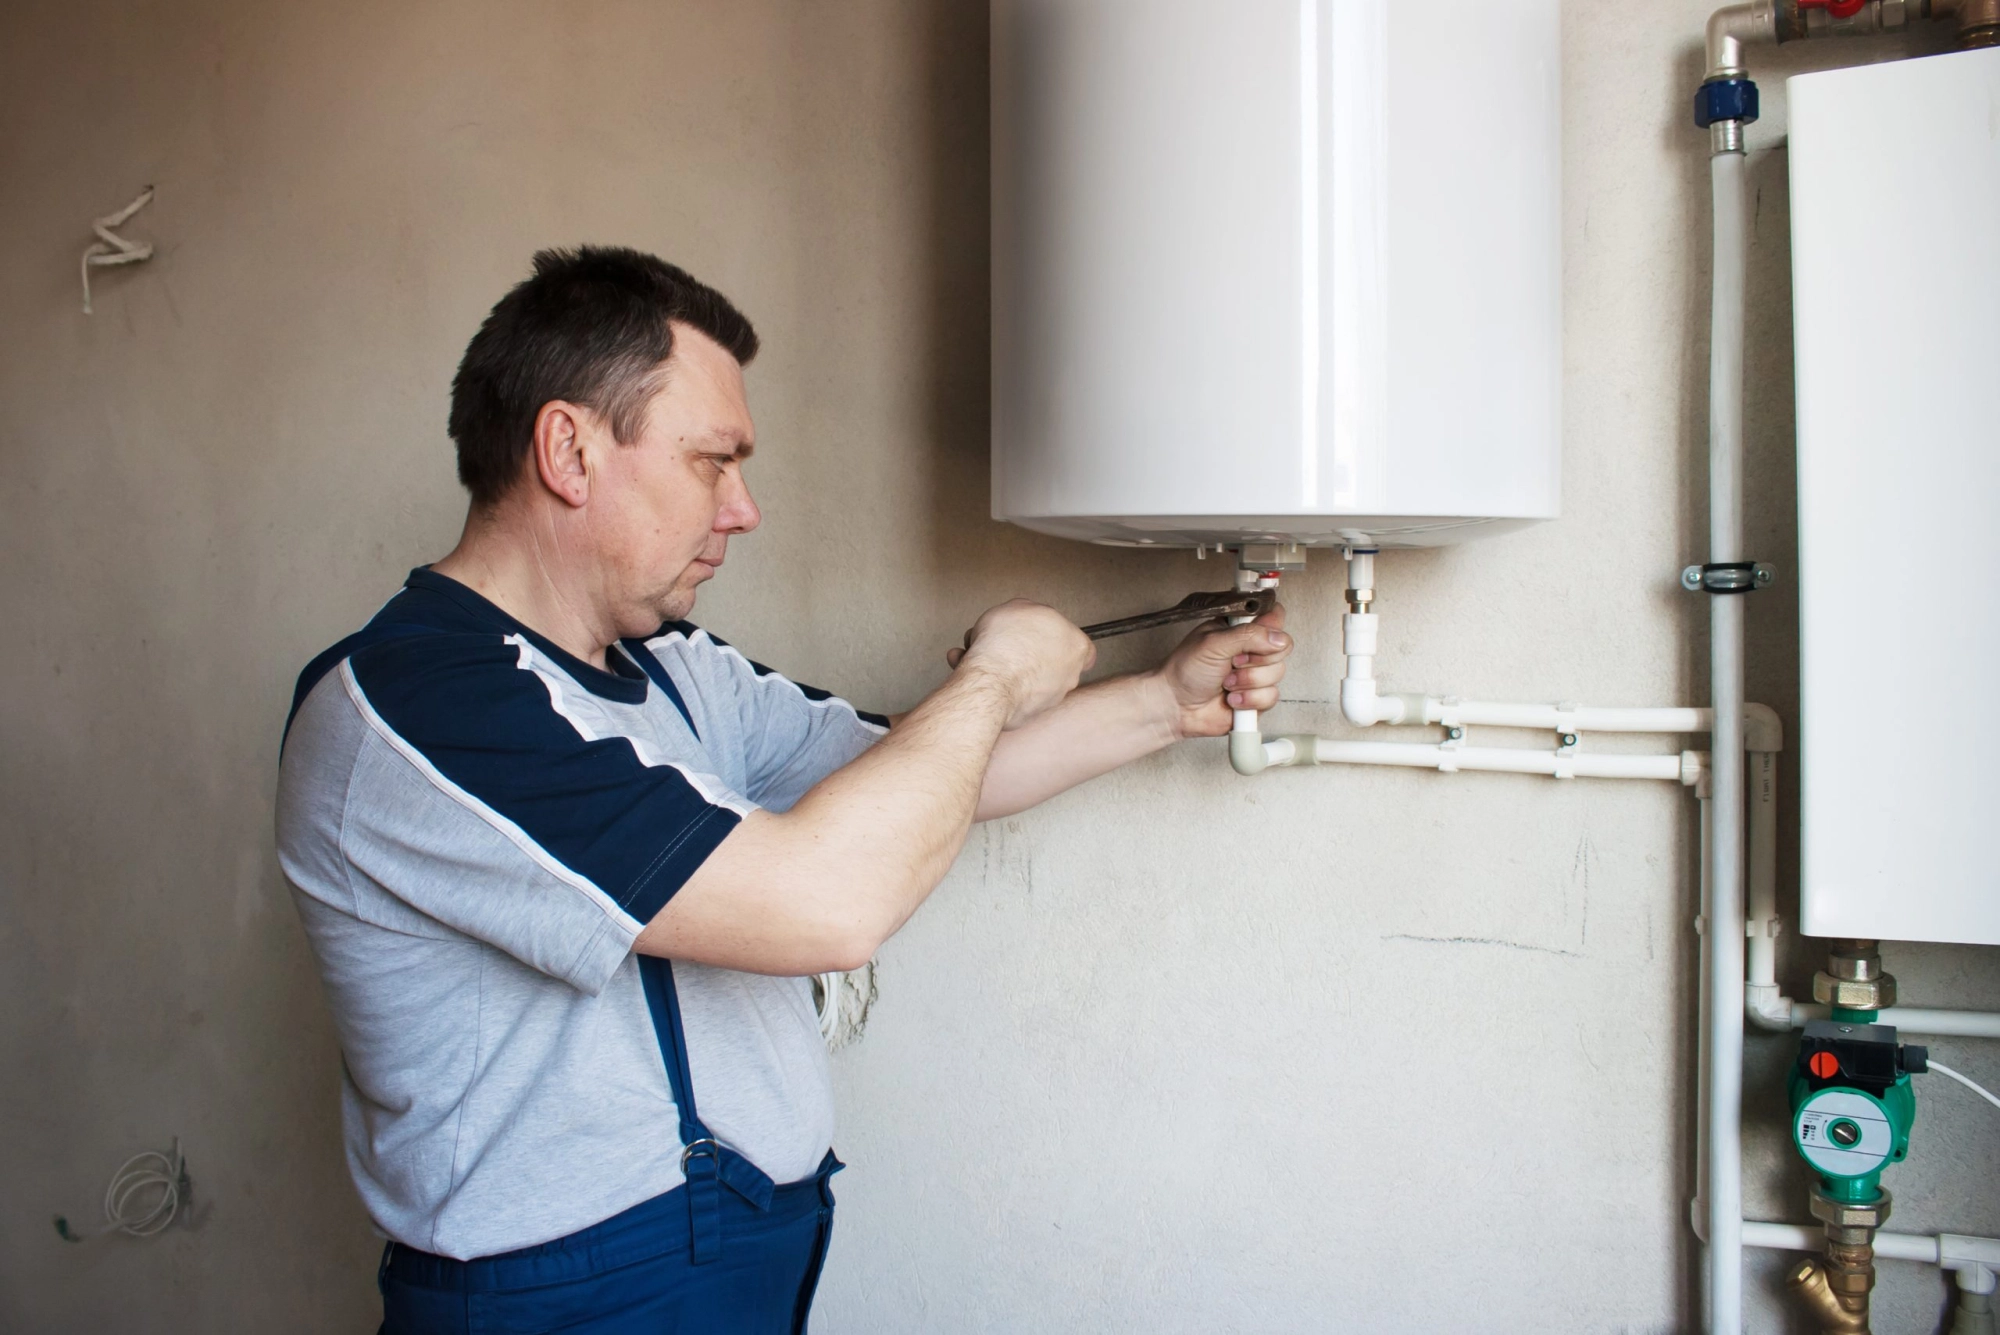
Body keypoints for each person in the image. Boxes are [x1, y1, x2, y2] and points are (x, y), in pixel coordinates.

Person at [276, 246, 1291, 1334]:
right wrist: (992, 674)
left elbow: (909, 777)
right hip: (563, 1299)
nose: (745, 509)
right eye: (713, 462)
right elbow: (829, 903)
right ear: (568, 450)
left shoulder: (671, 663)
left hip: (745, 1252)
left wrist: (1159, 702)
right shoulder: (420, 700)